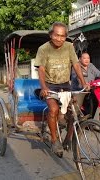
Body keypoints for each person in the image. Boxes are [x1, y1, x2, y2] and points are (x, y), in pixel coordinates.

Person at [34, 22, 88, 155]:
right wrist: (44, 87)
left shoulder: (69, 46)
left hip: (65, 84)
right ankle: (54, 140)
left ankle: (68, 139)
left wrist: (83, 82)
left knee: (74, 111)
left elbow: (76, 65)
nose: (59, 39)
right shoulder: (43, 49)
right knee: (53, 109)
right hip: (50, 85)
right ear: (51, 34)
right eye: (57, 35)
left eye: (63, 36)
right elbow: (41, 70)